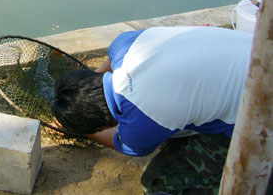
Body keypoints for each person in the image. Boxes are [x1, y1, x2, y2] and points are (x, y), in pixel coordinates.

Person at [51, 25, 273, 194]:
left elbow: (124, 142)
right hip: (261, 54)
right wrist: (86, 92)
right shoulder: (125, 44)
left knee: (158, 182)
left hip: (263, 117)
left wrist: (82, 130)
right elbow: (107, 67)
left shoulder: (141, 122)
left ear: (104, 123)